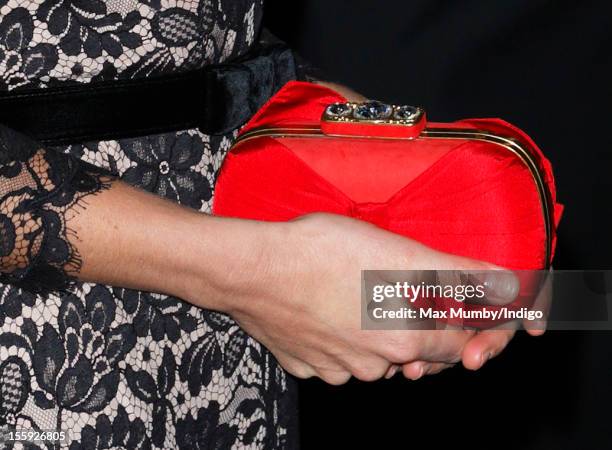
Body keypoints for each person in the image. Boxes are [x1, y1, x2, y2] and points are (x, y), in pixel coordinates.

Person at [0, 1, 538, 448]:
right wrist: (253, 271)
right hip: (52, 329)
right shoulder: (263, 276)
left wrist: (339, 122)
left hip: (255, 317)